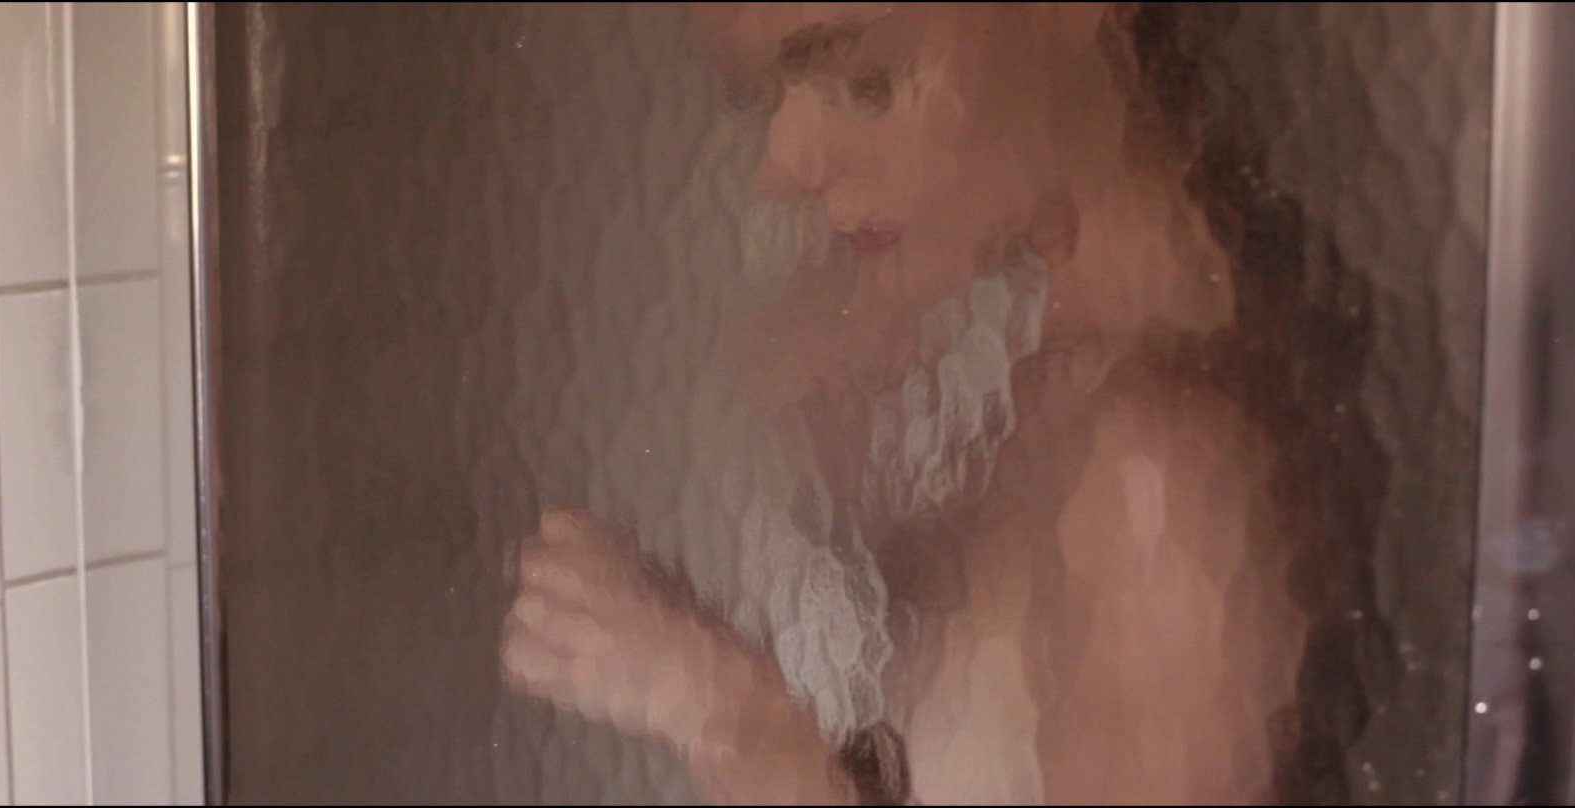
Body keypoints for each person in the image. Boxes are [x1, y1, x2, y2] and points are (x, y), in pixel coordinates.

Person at [501, 4, 1384, 803]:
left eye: (867, 80)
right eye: (765, 99)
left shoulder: (1166, 478)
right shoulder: (1062, 389)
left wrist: (721, 711)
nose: (783, 166)